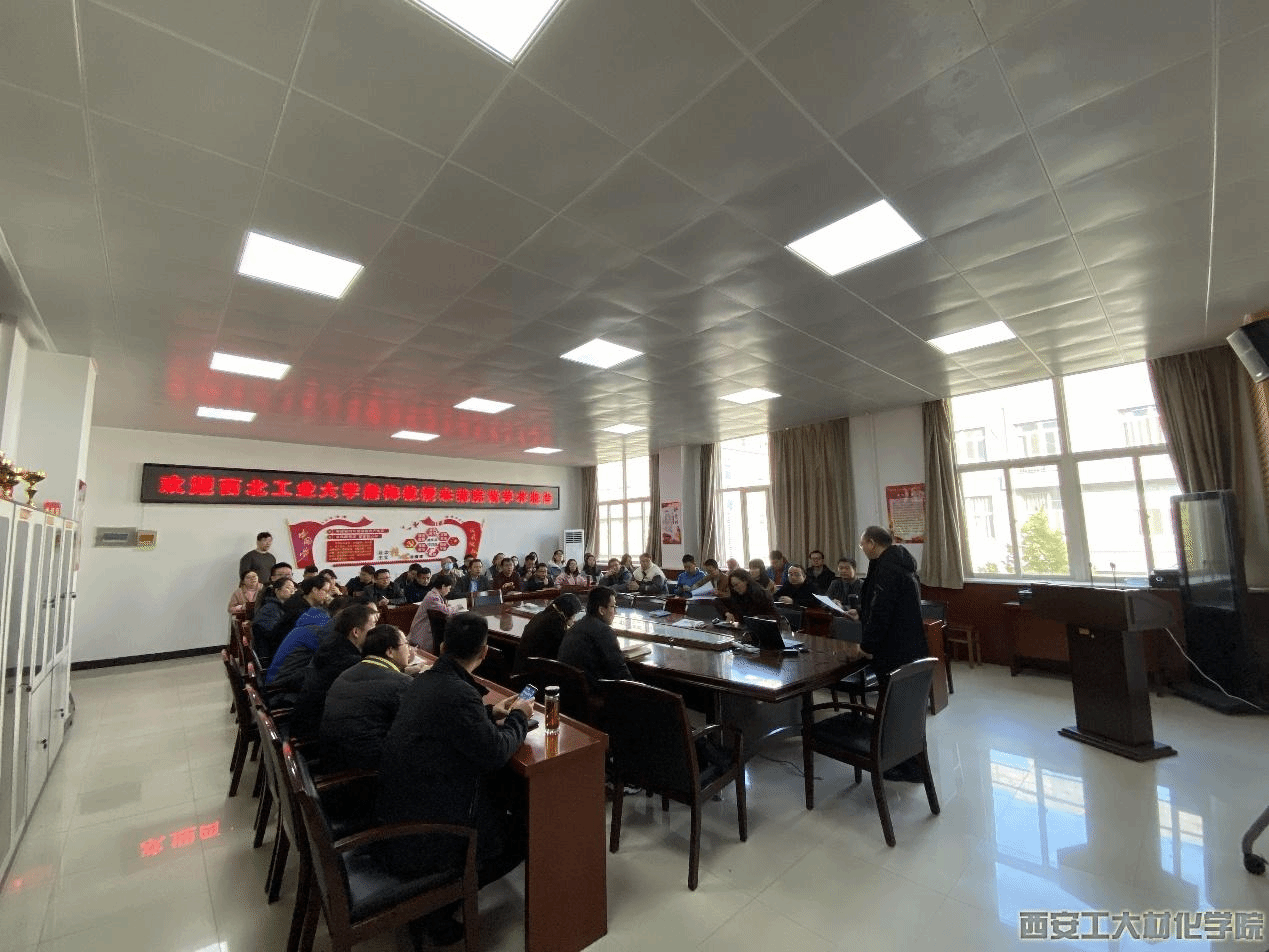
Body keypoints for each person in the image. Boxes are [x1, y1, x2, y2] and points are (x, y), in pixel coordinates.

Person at [375, 612, 533, 945]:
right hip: (428, 828)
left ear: (443, 647)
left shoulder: (425, 680)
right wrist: (519, 717)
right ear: (484, 652)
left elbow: (448, 722)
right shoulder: (459, 693)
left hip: (400, 806)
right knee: (521, 834)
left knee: (502, 795)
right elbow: (495, 753)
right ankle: (438, 906)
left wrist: (487, 713)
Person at [848, 526, 929, 782]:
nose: (862, 549)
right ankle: (906, 760)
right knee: (903, 707)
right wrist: (861, 613)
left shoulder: (888, 567)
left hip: (896, 649)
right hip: (906, 645)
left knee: (897, 708)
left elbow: (883, 612)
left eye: (862, 544)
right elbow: (883, 604)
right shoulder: (895, 562)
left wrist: (867, 647)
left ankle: (906, 765)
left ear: (872, 543)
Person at [318, 624, 416, 774]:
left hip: (333, 761)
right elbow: (413, 728)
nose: (409, 650)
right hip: (366, 772)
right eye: (406, 644)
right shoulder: (401, 683)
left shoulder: (346, 673)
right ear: (390, 651)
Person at [288, 603, 381, 743]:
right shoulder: (347, 661)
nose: (376, 631)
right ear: (356, 632)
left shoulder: (334, 643)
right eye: (373, 625)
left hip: (308, 724)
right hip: (315, 737)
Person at [265, 594, 349, 702]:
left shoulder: (312, 620)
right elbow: (332, 660)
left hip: (277, 681)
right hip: (280, 691)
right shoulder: (319, 630)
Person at [558, 586, 630, 690]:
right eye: (613, 606)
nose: (616, 612)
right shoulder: (604, 631)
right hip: (592, 693)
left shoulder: (576, 626)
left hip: (568, 691)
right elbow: (620, 672)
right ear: (601, 610)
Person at [267, 575, 336, 663]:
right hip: (287, 657)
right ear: (314, 590)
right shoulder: (300, 611)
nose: (327, 595)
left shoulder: (300, 601)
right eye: (325, 591)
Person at [513, 592, 582, 674]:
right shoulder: (555, 622)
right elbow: (565, 646)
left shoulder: (541, 615)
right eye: (574, 615)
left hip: (521, 669)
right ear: (568, 612)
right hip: (532, 674)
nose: (574, 619)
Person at [409, 572, 457, 651]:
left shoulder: (434, 594)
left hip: (427, 629)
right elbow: (446, 611)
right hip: (422, 632)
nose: (449, 591)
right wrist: (456, 607)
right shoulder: (433, 597)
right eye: (449, 588)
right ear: (443, 586)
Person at [251, 577, 295, 651]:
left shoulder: (284, 607)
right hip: (270, 651)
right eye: (288, 588)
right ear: (277, 590)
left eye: (293, 589)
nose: (292, 591)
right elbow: (273, 634)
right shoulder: (270, 608)